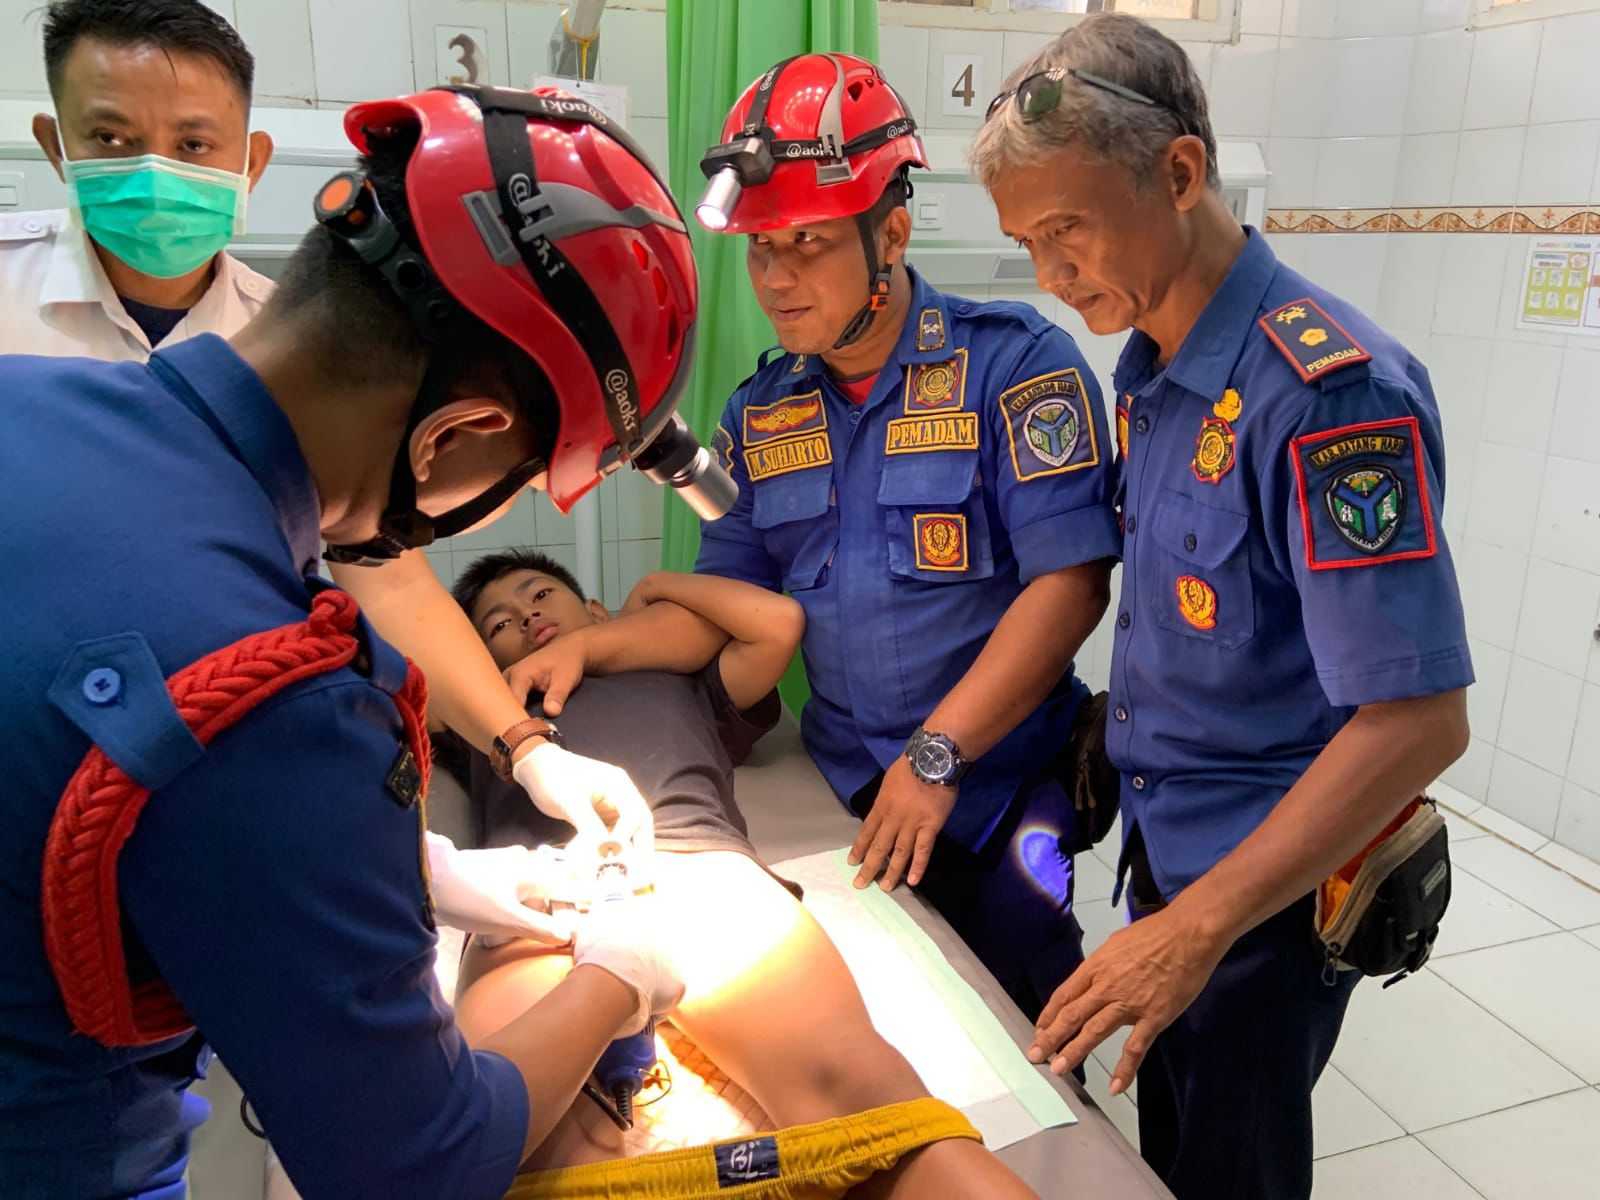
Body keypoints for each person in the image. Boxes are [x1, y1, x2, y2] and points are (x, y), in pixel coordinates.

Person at [0, 82, 719, 1199]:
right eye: (519, 483)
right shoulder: (267, 701)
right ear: (458, 436)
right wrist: (620, 983)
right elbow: (413, 1164)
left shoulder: (34, 406)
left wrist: (427, 871)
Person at [970, 15, 1473, 1200]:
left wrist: (1196, 930)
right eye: (1025, 242)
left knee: (1230, 1170)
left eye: (1066, 230)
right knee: (1171, 1154)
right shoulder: (1150, 371)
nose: (1049, 275)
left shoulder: (1329, 393)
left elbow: (1418, 721)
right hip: (1169, 852)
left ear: (1180, 173)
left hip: (1264, 903)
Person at [677, 53, 1120, 1021]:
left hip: (1001, 782)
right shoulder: (759, 411)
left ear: (892, 234)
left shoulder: (1016, 365)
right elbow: (732, 602)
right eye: (760, 251)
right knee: (890, 1018)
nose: (777, 280)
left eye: (808, 244)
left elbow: (1072, 584)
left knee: (1031, 994)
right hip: (842, 778)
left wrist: (936, 758)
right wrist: (603, 642)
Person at [441, 551, 1035, 1197]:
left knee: (866, 1101)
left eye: (539, 594)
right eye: (497, 624)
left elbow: (776, 621)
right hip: (527, 896)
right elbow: (402, 667)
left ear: (590, 607)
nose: (525, 617)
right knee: (520, 1148)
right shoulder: (481, 710)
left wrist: (635, 603)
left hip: (690, 864)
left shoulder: (673, 668)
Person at [1, 0, 275, 358]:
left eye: (194, 144)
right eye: (109, 138)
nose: (154, 180)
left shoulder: (288, 336)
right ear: (55, 148)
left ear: (252, 163)